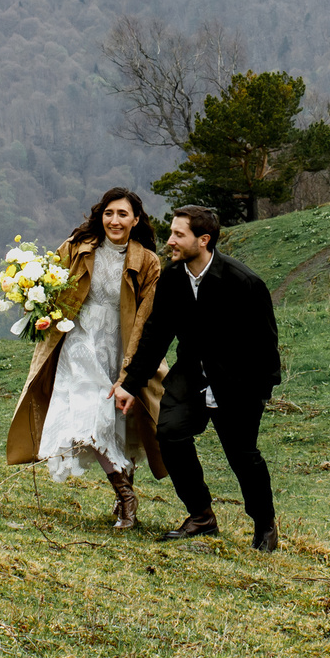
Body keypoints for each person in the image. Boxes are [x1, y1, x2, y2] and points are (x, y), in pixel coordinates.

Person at [113, 204, 281, 552]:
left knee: (242, 456)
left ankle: (265, 524)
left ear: (203, 240)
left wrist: (259, 392)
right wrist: (130, 384)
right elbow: (156, 335)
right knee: (169, 432)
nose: (170, 241)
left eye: (179, 234)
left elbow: (266, 345)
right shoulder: (172, 279)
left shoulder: (244, 282)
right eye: (171, 233)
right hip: (190, 378)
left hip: (238, 385)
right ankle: (201, 516)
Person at [4, 188, 165, 528]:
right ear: (100, 216)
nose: (115, 221)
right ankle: (126, 495)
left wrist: (132, 366)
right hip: (78, 342)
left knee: (119, 422)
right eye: (109, 213)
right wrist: (33, 297)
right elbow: (50, 281)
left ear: (136, 220)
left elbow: (145, 318)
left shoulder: (148, 261)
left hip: (121, 346)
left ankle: (123, 499)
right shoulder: (78, 247)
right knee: (90, 416)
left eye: (123, 214)